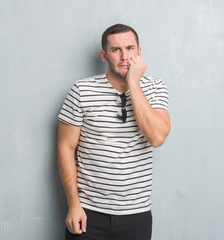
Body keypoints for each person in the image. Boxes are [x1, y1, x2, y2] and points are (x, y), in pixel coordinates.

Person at [57, 24, 171, 240]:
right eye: (115, 50)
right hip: (88, 213)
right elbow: (65, 147)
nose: (124, 56)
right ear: (103, 55)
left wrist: (134, 84)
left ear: (139, 52)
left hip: (136, 215)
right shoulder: (81, 90)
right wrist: (73, 205)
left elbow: (156, 137)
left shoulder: (155, 87)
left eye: (130, 48)